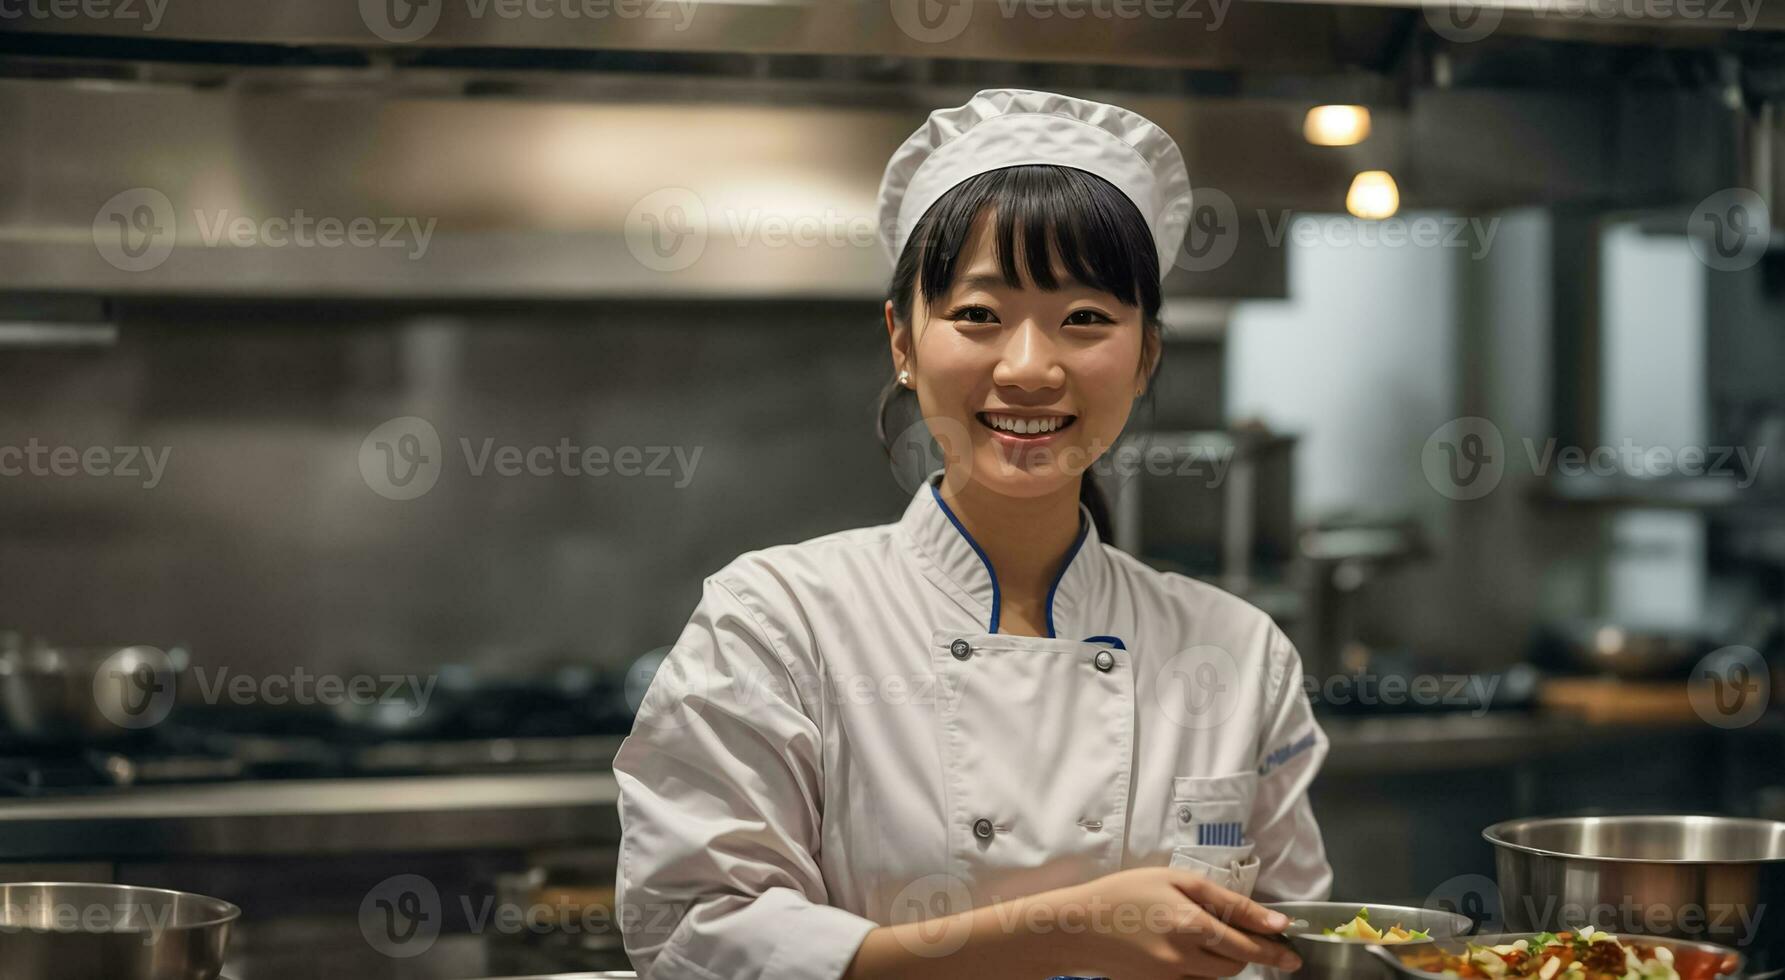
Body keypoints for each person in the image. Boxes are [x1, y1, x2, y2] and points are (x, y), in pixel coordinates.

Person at [613, 88, 1332, 980]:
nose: (1028, 369)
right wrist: (1065, 929)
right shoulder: (775, 622)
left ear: (1146, 355)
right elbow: (693, 939)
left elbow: (1293, 948)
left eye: (1086, 320)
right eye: (978, 316)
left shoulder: (1237, 651)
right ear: (902, 341)